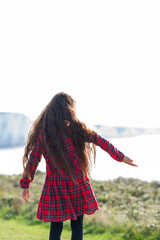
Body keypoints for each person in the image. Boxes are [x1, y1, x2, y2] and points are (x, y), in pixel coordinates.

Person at [20, 92, 138, 240]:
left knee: (56, 227)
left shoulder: (44, 135)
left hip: (55, 186)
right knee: (77, 225)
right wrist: (121, 157)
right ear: (69, 109)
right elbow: (100, 140)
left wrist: (25, 185)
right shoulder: (76, 129)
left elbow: (33, 161)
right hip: (77, 183)